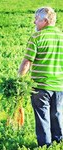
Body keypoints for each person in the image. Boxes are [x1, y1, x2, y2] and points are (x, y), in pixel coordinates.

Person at [18, 7, 63, 147]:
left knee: (42, 117)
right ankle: (59, 142)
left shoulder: (36, 37)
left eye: (36, 19)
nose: (34, 22)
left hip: (40, 86)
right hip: (59, 86)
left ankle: (45, 146)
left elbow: (27, 62)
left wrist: (18, 80)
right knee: (57, 114)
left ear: (45, 20)